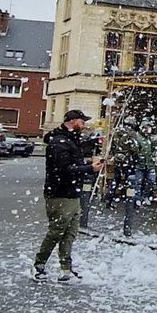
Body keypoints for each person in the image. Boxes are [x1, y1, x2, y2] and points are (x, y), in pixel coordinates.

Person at [33, 109, 104, 283]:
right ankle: (39, 265)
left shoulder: (70, 139)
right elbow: (64, 170)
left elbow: (73, 163)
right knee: (56, 232)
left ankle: (66, 269)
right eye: (82, 121)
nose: (84, 125)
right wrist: (89, 169)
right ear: (73, 121)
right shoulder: (59, 142)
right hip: (60, 194)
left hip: (72, 193)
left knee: (69, 233)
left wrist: (87, 164)